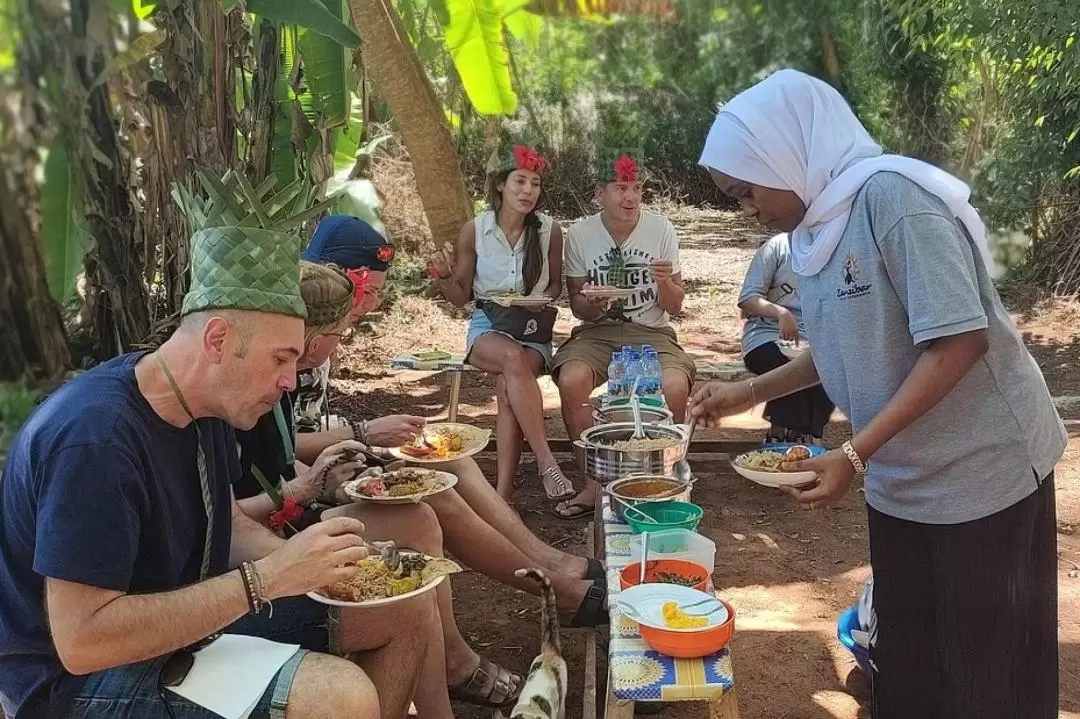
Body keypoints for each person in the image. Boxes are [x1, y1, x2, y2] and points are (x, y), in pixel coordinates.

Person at [693, 69, 1064, 719]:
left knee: (986, 667)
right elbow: (841, 344)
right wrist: (747, 390)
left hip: (984, 468)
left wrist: (855, 454)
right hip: (900, 475)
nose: (745, 207)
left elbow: (958, 342)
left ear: (786, 154)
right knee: (910, 656)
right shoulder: (812, 232)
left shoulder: (892, 198)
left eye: (744, 189)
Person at [0, 226, 451, 719]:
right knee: (340, 696)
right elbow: (82, 641)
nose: (288, 379)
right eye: (280, 358)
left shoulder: (207, 406)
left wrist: (312, 569)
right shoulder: (95, 441)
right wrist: (266, 579)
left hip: (182, 625)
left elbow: (228, 524)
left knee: (402, 607)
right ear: (217, 339)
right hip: (77, 682)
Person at [234, 257, 607, 706]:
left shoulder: (278, 376)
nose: (352, 328)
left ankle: (551, 570)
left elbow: (282, 458)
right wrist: (356, 442)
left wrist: (323, 473)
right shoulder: (248, 389)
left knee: (453, 469)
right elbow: (270, 475)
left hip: (303, 497)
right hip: (278, 534)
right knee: (427, 513)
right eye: (342, 327)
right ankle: (516, 613)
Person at [550, 148, 695, 519]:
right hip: (597, 332)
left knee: (675, 385)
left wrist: (664, 284)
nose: (630, 197)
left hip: (652, 331)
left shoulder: (661, 229)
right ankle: (592, 482)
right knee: (572, 379)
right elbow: (577, 305)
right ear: (600, 193)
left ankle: (667, 474)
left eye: (635, 188)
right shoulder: (581, 234)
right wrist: (591, 302)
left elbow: (675, 306)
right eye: (620, 188)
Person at [429, 142, 574, 502]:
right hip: (488, 327)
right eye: (520, 182)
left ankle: (503, 493)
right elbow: (461, 297)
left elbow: (556, 284)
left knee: (509, 390)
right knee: (510, 360)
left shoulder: (549, 231)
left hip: (532, 330)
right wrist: (444, 275)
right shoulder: (474, 231)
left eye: (535, 184)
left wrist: (542, 298)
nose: (528, 191)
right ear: (500, 186)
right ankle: (546, 463)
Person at [295, 214, 395, 431]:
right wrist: (362, 434)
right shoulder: (297, 343)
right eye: (369, 291)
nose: (374, 303)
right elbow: (283, 448)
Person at [738, 232, 834, 443]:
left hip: (815, 336)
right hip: (766, 334)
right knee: (783, 363)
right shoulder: (777, 247)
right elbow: (748, 298)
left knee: (829, 363)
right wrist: (781, 313)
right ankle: (781, 434)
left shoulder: (835, 246)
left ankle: (804, 433)